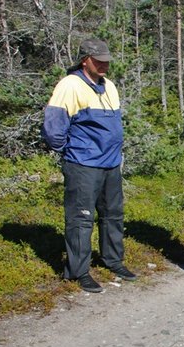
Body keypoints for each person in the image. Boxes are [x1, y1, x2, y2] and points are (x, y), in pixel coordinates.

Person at [42, 38, 136, 293]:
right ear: (85, 60)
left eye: (107, 60)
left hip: (111, 164)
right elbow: (53, 128)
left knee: (113, 215)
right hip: (83, 165)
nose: (105, 65)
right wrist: (70, 152)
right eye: (99, 61)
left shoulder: (110, 86)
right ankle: (78, 271)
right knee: (81, 219)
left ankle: (113, 260)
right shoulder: (70, 85)